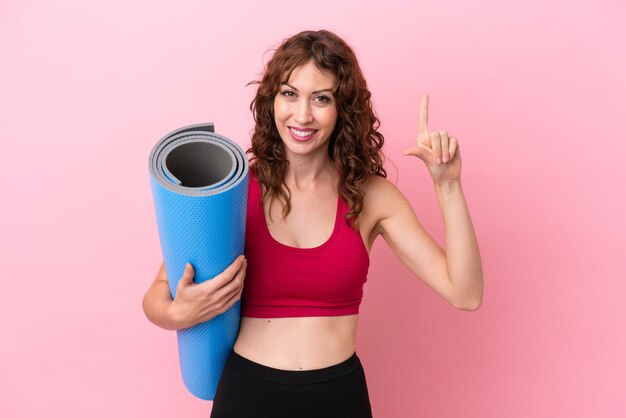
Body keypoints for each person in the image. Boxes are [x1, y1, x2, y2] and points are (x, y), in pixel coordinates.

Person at [142, 29, 483, 418]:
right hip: (247, 394)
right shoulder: (236, 191)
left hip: (337, 397)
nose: (302, 115)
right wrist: (177, 314)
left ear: (343, 109)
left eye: (321, 98)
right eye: (289, 94)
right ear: (272, 100)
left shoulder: (372, 196)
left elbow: (465, 293)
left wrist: (449, 185)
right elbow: (157, 295)